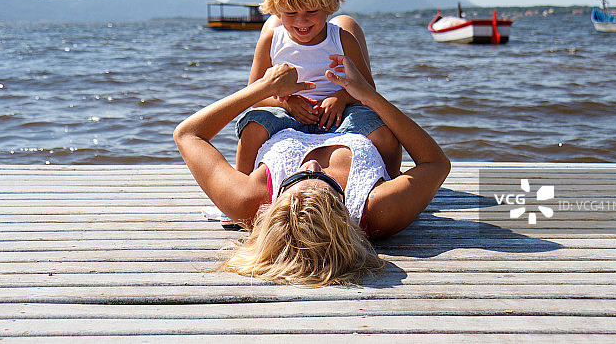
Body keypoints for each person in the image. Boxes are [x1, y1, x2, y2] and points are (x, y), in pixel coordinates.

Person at [173, 54, 451, 287]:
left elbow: (187, 134)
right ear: (343, 211)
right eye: (323, 179)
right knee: (346, 25)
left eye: (294, 179)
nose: (311, 165)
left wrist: (263, 88)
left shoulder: (249, 201)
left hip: (287, 121)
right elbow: (436, 164)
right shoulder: (378, 210)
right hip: (353, 125)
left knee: (283, 21)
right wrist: (367, 94)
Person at [235, 0, 401, 175]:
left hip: (339, 114)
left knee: (384, 136)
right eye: (291, 12)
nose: (301, 21)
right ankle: (243, 183)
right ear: (276, 8)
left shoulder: (342, 39)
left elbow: (367, 89)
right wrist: (287, 103)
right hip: (289, 115)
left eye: (312, 11)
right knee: (252, 128)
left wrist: (340, 98)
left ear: (328, 5)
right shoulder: (272, 39)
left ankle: (389, 181)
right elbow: (255, 95)